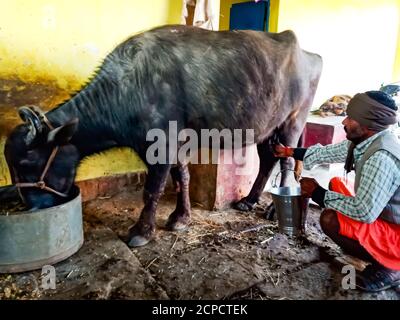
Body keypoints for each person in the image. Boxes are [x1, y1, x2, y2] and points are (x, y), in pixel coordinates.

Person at [274, 90, 400, 292]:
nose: (344, 122)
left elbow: (364, 212)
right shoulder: (368, 139)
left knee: (329, 220)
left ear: (367, 123)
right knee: (336, 183)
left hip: (394, 231)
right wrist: (289, 151)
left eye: (351, 118)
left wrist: (317, 193)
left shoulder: (381, 158)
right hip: (386, 216)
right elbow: (327, 153)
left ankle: (391, 267)